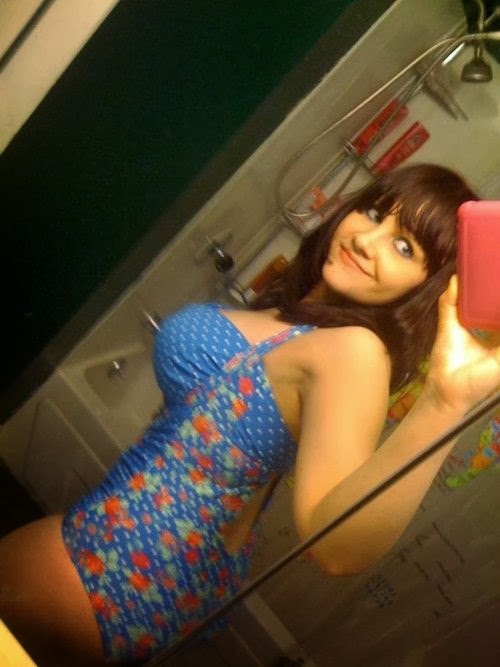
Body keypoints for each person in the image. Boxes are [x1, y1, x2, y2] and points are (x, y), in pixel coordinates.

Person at [0, 163, 498, 666]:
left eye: (404, 247)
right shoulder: (311, 323)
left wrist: (444, 404)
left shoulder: (355, 351)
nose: (367, 240)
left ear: (428, 288)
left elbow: (337, 547)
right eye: (372, 213)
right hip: (115, 574)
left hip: (105, 580)